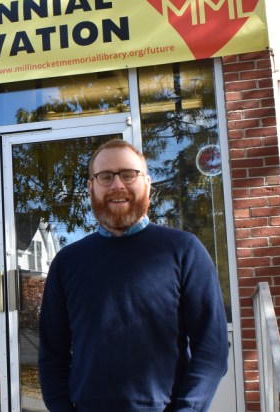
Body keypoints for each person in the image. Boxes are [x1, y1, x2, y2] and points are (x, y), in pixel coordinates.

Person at [38, 139, 229, 411]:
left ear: (147, 184)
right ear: (91, 187)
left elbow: (213, 350)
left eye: (128, 174)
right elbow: (51, 356)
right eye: (105, 176)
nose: (117, 185)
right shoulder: (67, 263)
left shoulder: (184, 251)